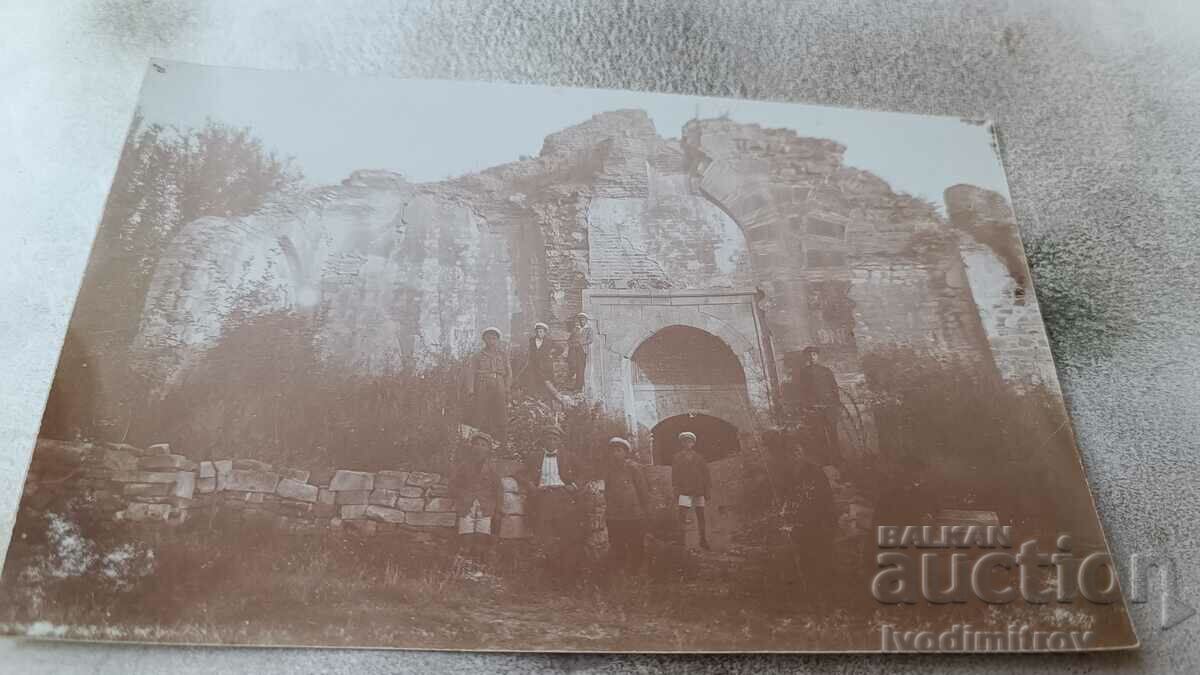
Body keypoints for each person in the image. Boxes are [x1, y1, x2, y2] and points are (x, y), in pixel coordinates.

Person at [517, 426, 583, 585]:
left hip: (563, 498)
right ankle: (547, 578)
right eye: (548, 438)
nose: (551, 441)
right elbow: (519, 473)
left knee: (566, 537)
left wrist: (574, 485)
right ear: (543, 440)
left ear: (560, 441)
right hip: (542, 498)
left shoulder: (569, 456)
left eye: (554, 438)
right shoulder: (534, 457)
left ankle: (566, 578)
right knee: (544, 536)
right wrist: (531, 486)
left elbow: (585, 472)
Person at [781, 346, 841, 466]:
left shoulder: (826, 371)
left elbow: (834, 388)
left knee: (833, 434)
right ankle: (826, 460)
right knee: (820, 435)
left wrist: (836, 404)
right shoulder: (803, 373)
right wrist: (807, 406)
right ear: (806, 357)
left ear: (817, 356)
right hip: (815, 409)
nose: (812, 357)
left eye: (814, 355)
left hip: (829, 408)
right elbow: (802, 391)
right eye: (809, 355)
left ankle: (837, 458)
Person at [449, 432, 503, 561]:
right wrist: (462, 494)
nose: (479, 448)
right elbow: (452, 485)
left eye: (483, 445)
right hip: (467, 505)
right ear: (471, 447)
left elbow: (499, 489)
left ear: (488, 449)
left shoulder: (492, 467)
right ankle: (464, 563)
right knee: (465, 539)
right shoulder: (463, 466)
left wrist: (498, 509)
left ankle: (478, 565)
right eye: (476, 444)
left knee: (481, 539)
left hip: (485, 506)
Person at [603, 437, 651, 577]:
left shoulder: (633, 467)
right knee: (617, 544)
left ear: (625, 452)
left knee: (636, 544)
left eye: (618, 451)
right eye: (613, 451)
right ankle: (620, 573)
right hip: (614, 515)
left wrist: (644, 510)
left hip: (633, 514)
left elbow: (642, 490)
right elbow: (608, 491)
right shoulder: (609, 470)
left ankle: (636, 572)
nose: (615, 454)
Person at [465, 327, 512, 443]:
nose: (491, 341)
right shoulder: (478, 356)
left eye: (494, 338)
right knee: (479, 412)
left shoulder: (503, 355)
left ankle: (503, 443)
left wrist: (507, 388)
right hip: (482, 385)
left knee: (501, 413)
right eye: (489, 338)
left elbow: (509, 373)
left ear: (498, 340)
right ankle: (475, 442)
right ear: (484, 340)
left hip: (499, 384)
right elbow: (470, 373)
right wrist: (470, 390)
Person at [671, 431, 712, 550]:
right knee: (682, 516)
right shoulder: (677, 457)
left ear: (693, 443)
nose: (687, 444)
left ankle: (703, 540)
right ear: (681, 443)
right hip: (684, 491)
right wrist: (676, 489)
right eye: (684, 441)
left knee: (700, 515)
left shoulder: (699, 457)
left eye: (689, 441)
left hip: (699, 491)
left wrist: (707, 490)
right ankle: (681, 541)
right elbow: (675, 475)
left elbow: (706, 475)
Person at [518, 321, 558, 400]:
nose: (539, 333)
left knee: (546, 380)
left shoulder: (549, 341)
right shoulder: (532, 340)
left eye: (541, 331)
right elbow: (530, 351)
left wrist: (552, 355)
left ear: (545, 333)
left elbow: (560, 349)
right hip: (534, 363)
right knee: (533, 379)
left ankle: (549, 395)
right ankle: (534, 395)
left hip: (545, 364)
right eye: (537, 331)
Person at [566, 312, 592, 391]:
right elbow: (569, 339)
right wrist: (572, 344)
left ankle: (579, 387)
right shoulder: (576, 329)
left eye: (583, 320)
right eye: (580, 320)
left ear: (586, 321)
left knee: (580, 369)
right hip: (574, 350)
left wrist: (581, 343)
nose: (581, 321)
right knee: (574, 367)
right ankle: (574, 385)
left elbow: (590, 340)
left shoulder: (588, 329)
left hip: (582, 351)